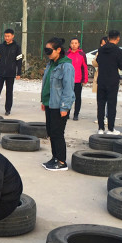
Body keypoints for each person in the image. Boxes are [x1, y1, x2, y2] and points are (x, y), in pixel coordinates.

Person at [40, 38, 75, 171]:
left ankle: (61, 161)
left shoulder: (66, 66)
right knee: (50, 131)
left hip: (60, 106)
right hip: (50, 104)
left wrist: (65, 107)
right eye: (46, 50)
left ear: (58, 50)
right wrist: (44, 101)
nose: (47, 53)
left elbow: (68, 88)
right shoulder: (50, 64)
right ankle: (55, 157)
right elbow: (46, 84)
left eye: (49, 50)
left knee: (57, 133)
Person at [0, 28, 23, 116]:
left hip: (11, 73)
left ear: (12, 36)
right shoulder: (0, 46)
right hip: (0, 73)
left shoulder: (17, 47)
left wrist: (18, 73)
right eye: (5, 36)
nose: (6, 38)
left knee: (9, 92)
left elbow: (19, 61)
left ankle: (8, 109)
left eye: (8, 36)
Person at [96, 30, 122, 135]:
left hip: (101, 80)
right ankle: (111, 129)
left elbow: (98, 61)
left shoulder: (101, 49)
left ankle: (100, 128)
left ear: (108, 38)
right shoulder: (119, 51)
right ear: (118, 38)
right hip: (113, 81)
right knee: (111, 105)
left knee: (101, 104)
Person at [66, 37, 88, 120]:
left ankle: (76, 114)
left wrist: (85, 79)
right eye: (72, 43)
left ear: (78, 44)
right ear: (70, 44)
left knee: (77, 98)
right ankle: (67, 113)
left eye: (75, 43)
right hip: (68, 80)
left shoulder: (82, 54)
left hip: (78, 80)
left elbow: (85, 67)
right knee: (68, 97)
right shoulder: (67, 54)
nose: (74, 45)